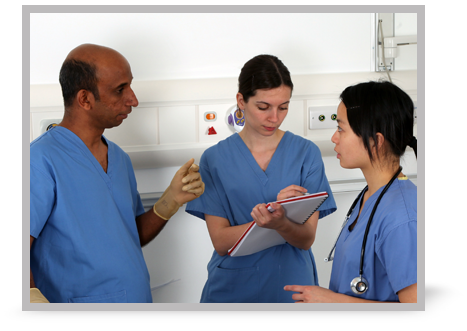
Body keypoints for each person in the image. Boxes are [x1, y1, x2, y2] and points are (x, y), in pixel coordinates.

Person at [29, 44, 205, 303]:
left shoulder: (120, 159)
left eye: (130, 86)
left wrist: (170, 201)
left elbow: (131, 235)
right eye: (120, 89)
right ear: (85, 99)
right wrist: (31, 300)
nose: (133, 99)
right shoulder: (39, 159)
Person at [185, 54, 337, 303]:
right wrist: (275, 218)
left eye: (284, 107)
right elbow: (221, 241)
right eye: (263, 107)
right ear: (241, 101)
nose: (274, 118)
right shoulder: (215, 159)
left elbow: (306, 239)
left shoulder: (305, 153)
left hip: (292, 287)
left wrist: (280, 222)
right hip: (232, 289)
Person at [284, 81, 417, 303]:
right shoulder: (371, 196)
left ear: (376, 141)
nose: (334, 138)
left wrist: (332, 302)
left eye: (341, 129)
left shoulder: (402, 218)